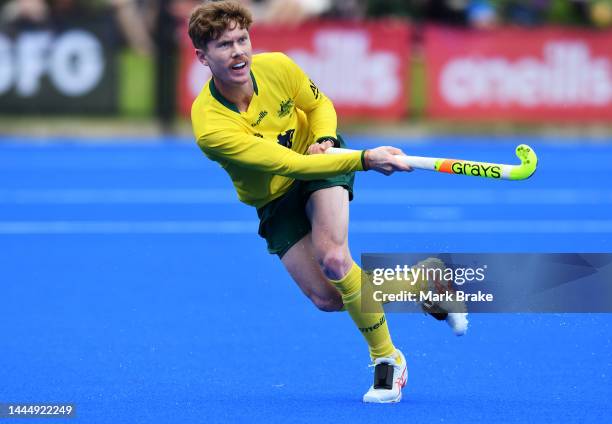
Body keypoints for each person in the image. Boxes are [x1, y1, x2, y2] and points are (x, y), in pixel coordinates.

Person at [188, 0, 467, 403]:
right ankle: (424, 281)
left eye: (242, 39)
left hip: (322, 160)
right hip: (276, 194)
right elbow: (284, 163)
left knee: (335, 258)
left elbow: (318, 104)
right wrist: (366, 159)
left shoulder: (278, 67)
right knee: (327, 298)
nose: (238, 52)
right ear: (202, 57)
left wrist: (329, 142)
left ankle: (387, 359)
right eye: (224, 45)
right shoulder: (211, 126)